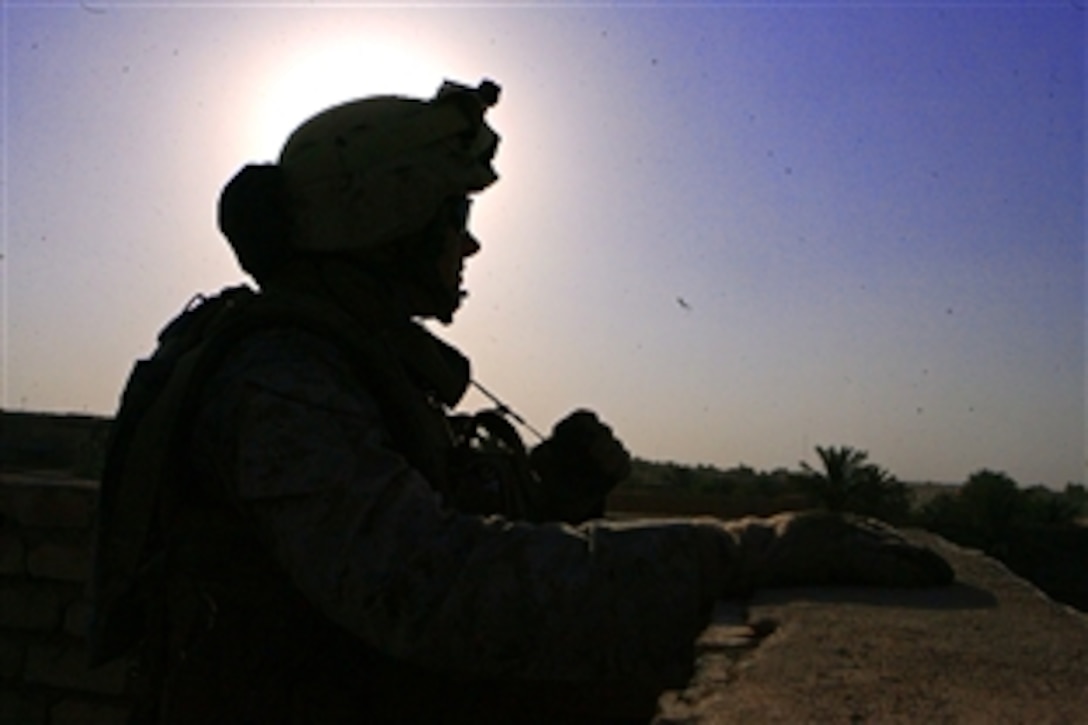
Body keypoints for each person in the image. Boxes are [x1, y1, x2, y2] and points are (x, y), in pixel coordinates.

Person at [89, 78, 953, 723]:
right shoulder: (282, 377)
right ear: (388, 220)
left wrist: (551, 490)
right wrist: (751, 550)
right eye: (453, 214)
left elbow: (413, 523)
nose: (467, 241)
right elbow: (427, 585)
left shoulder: (342, 357)